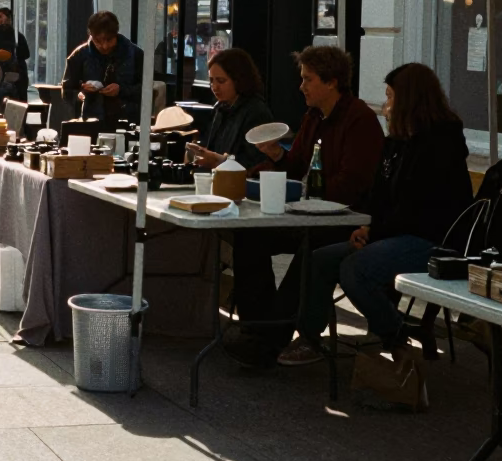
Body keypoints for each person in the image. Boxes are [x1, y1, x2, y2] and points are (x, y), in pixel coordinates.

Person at [279, 64, 472, 367]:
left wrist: (373, 232)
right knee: (320, 258)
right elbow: (379, 194)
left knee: (356, 269)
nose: (386, 105)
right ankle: (309, 338)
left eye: (391, 97)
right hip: (393, 232)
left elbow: (419, 207)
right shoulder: (397, 140)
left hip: (433, 241)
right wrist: (365, 224)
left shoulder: (439, 145)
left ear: (409, 100)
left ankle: (396, 341)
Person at [225, 45, 384, 367]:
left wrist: (299, 193)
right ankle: (257, 326)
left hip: (343, 219)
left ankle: (272, 339)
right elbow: (297, 164)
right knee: (248, 237)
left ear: (332, 82)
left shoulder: (360, 120)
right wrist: (277, 157)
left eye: (308, 79)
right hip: (307, 211)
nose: (301, 86)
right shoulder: (313, 116)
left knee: (310, 251)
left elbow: (353, 183)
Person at [187, 48, 274, 168]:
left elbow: (256, 162)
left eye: (221, 81)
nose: (214, 87)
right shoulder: (220, 108)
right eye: (211, 81)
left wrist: (219, 160)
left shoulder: (256, 112)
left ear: (239, 80)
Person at [61, 11, 144, 127]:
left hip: (127, 122)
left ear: (116, 34)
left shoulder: (135, 54)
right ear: (91, 35)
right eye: (98, 41)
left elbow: (147, 90)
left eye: (109, 40)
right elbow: (67, 90)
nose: (104, 46)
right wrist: (81, 93)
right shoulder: (79, 56)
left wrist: (121, 90)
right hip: (90, 122)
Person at [0, 7, 30, 98]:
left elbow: (25, 54)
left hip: (14, 74)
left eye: (0, 17)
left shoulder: (17, 37)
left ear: (9, 18)